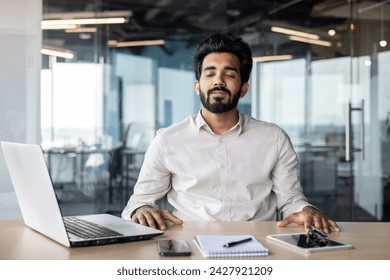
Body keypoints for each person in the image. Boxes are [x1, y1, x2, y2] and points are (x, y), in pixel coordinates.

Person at [121, 32, 339, 234]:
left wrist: (306, 209)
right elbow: (140, 200)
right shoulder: (167, 140)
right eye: (210, 73)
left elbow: (290, 199)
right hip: (189, 243)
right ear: (197, 86)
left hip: (259, 243)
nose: (218, 81)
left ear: (243, 88)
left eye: (229, 74)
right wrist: (140, 209)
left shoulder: (274, 138)